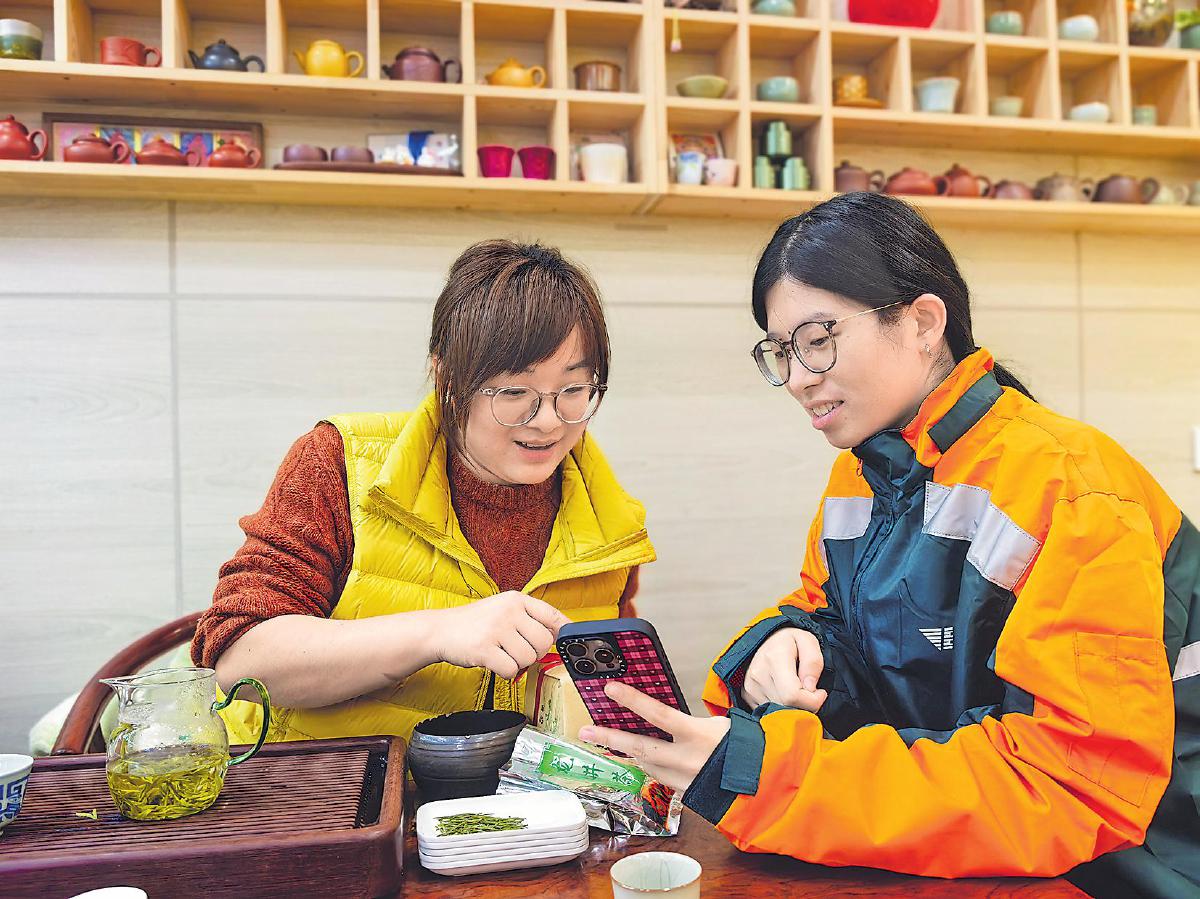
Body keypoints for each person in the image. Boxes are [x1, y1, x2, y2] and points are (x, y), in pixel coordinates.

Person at [578, 193, 1199, 898]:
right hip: (958, 859)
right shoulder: (864, 471)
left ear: (924, 323)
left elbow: (1069, 785)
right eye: (781, 351)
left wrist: (769, 776)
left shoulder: (1073, 488)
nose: (798, 377)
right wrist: (786, 647)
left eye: (818, 338)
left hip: (1127, 871)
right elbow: (836, 620)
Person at [192, 239, 654, 744]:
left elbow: (611, 698)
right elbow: (239, 661)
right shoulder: (341, 462)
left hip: (514, 795)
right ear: (446, 376)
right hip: (328, 784)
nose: (548, 421)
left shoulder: (609, 515)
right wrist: (438, 632)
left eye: (574, 390)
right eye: (514, 392)